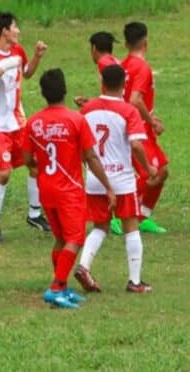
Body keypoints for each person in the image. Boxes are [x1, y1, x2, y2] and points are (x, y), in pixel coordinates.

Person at [22, 69, 116, 309]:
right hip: (69, 191)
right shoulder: (76, 119)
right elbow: (91, 158)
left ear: (43, 94)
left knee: (60, 239)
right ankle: (56, 288)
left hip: (46, 189)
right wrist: (108, 186)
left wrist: (39, 166)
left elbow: (27, 159)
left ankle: (62, 287)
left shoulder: (33, 122)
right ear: (65, 90)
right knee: (75, 238)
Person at [75, 65, 158, 294]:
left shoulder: (87, 109)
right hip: (121, 179)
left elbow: (81, 144)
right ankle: (135, 281)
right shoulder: (128, 111)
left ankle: (84, 265)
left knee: (100, 226)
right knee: (131, 227)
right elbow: (135, 144)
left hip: (95, 178)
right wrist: (148, 168)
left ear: (102, 82)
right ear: (124, 85)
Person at [0, 11, 50, 243]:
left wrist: (37, 56)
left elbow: (26, 73)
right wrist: (1, 69)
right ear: (4, 32)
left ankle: (34, 214)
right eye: (15, 27)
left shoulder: (18, 51)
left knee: (35, 163)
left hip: (18, 122)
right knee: (4, 172)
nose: (18, 31)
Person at [118, 22, 169, 235]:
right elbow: (135, 100)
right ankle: (121, 216)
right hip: (138, 128)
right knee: (150, 173)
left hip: (133, 127)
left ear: (126, 43)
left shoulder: (122, 65)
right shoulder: (142, 68)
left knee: (162, 171)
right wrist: (152, 121)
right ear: (146, 42)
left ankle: (142, 216)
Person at [74, 31, 120, 108]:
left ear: (94, 48)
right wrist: (90, 102)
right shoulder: (116, 61)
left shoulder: (103, 63)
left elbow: (114, 99)